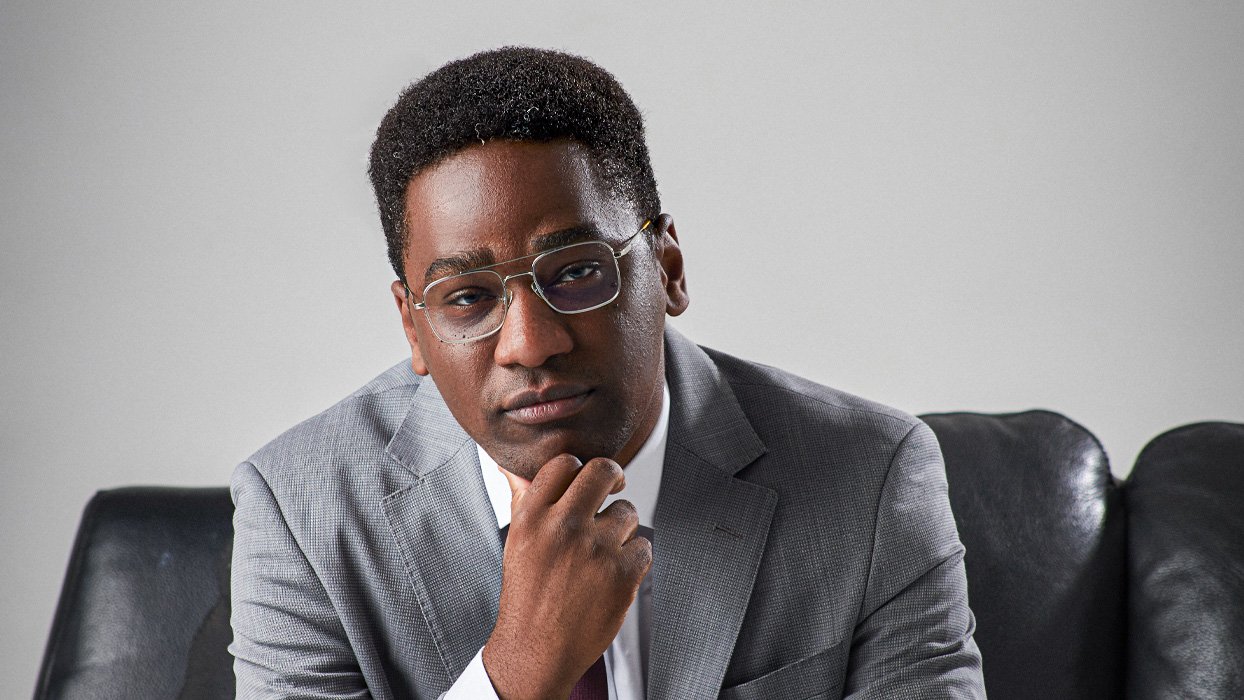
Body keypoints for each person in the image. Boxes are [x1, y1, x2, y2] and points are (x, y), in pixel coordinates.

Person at [229, 47, 985, 699]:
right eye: (468, 298)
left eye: (577, 272)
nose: (530, 344)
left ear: (669, 269)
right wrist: (516, 674)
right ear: (413, 326)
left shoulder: (868, 479)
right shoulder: (302, 511)